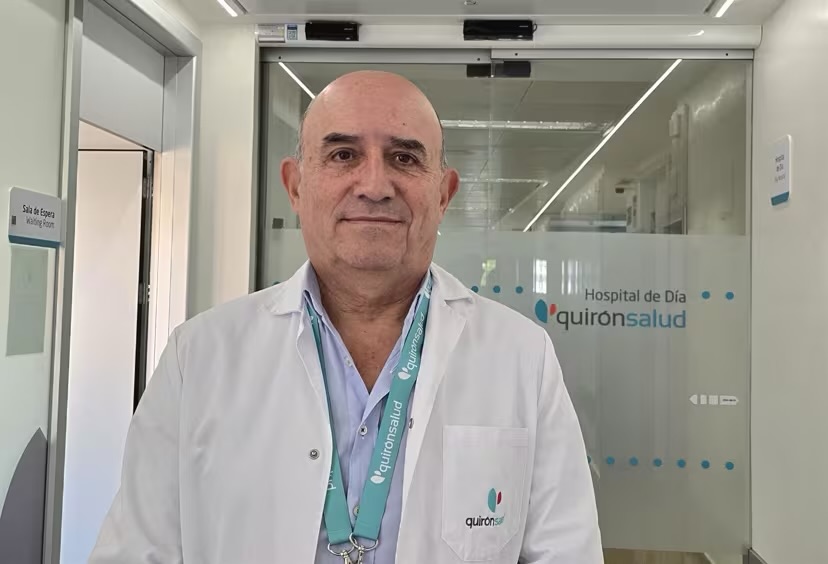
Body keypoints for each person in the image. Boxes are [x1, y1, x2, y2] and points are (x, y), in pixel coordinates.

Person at [90, 70, 602, 564]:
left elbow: (566, 553)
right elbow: (137, 552)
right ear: (295, 187)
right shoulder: (199, 357)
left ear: (443, 194)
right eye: (343, 155)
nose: (375, 185)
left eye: (404, 158)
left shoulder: (521, 356)